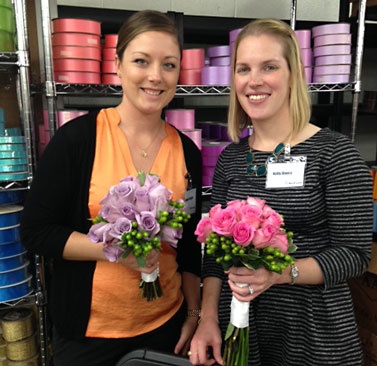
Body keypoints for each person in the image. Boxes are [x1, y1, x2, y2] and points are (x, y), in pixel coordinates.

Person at [20, 10, 202, 366]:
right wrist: (111, 250)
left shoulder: (187, 152)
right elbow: (36, 232)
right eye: (141, 61)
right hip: (88, 336)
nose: (155, 76)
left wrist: (193, 315)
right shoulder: (78, 140)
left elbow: (190, 246)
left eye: (169, 65)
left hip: (165, 326)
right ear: (118, 66)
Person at [189, 18, 373, 366]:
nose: (253, 81)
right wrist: (208, 318)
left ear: (293, 75)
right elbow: (214, 256)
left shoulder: (335, 154)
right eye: (243, 69)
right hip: (242, 330)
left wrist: (281, 274)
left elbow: (353, 254)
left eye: (269, 66)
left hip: (314, 334)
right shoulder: (231, 158)